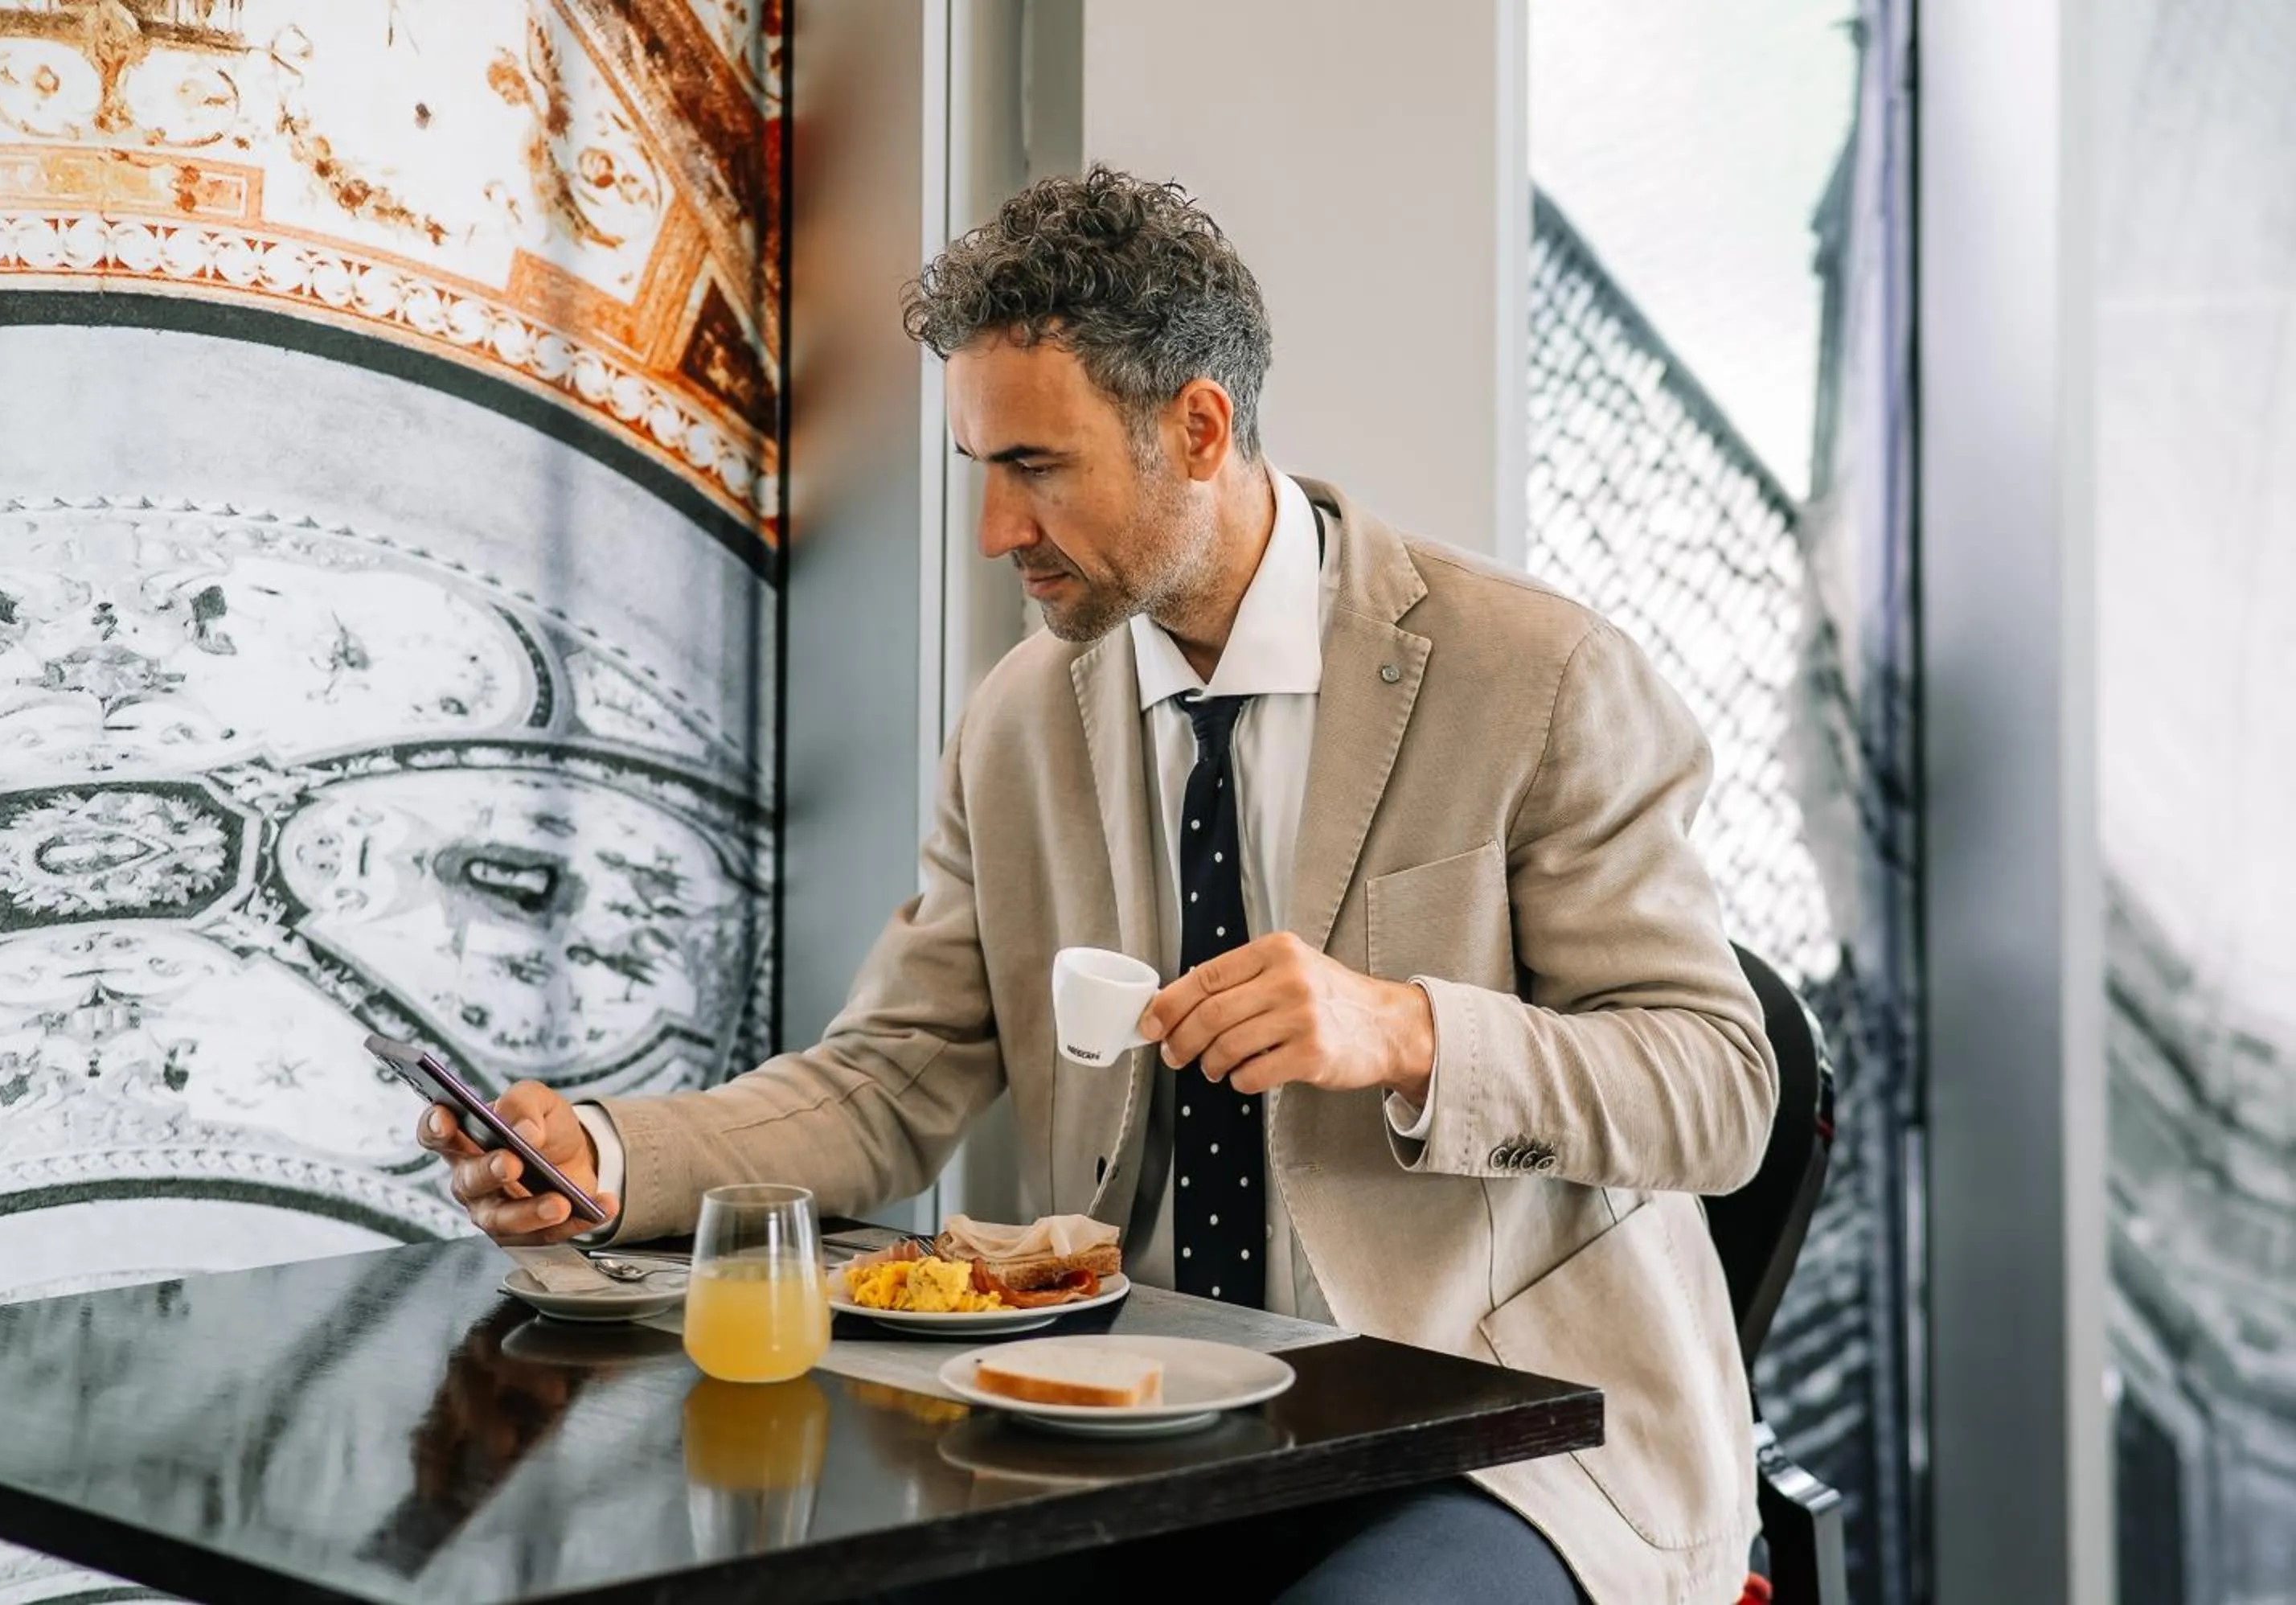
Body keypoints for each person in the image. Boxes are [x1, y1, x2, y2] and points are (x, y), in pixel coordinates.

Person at [421, 166, 1777, 1605]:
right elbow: (890, 1077)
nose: (998, 532)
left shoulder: (1540, 675)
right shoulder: (1017, 724)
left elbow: (1717, 1087)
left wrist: (1412, 1033)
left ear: (1200, 428)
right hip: (1134, 1415)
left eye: (1039, 468)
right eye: (983, 470)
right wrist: (605, 1156)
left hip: (1504, 1436)